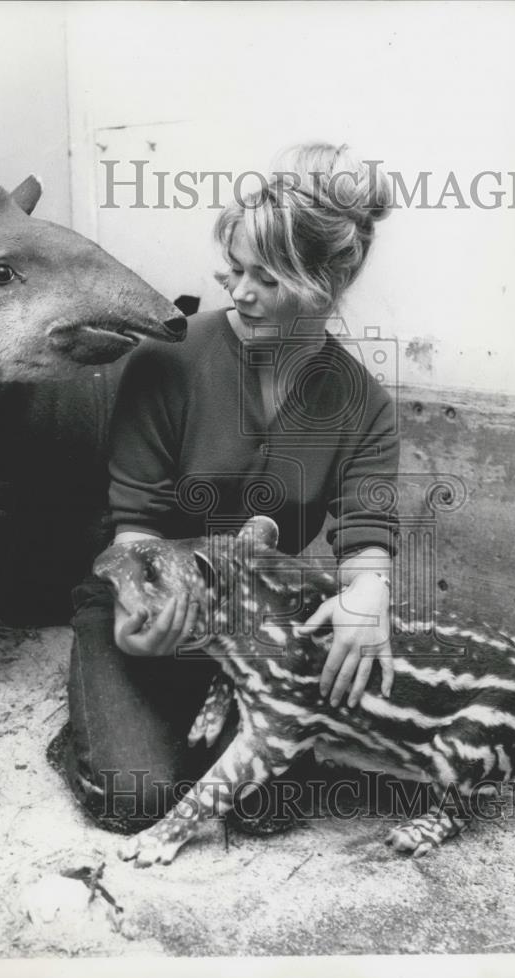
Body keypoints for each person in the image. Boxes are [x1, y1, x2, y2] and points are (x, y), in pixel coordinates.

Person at [51, 142, 399, 833]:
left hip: (257, 616)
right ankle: (89, 732)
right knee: (136, 799)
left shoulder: (363, 403)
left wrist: (369, 592)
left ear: (330, 278)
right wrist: (138, 622)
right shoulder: (166, 362)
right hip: (147, 592)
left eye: (266, 279)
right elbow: (135, 534)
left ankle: (194, 719)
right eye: (235, 270)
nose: (239, 292)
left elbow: (367, 539)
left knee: (271, 808)